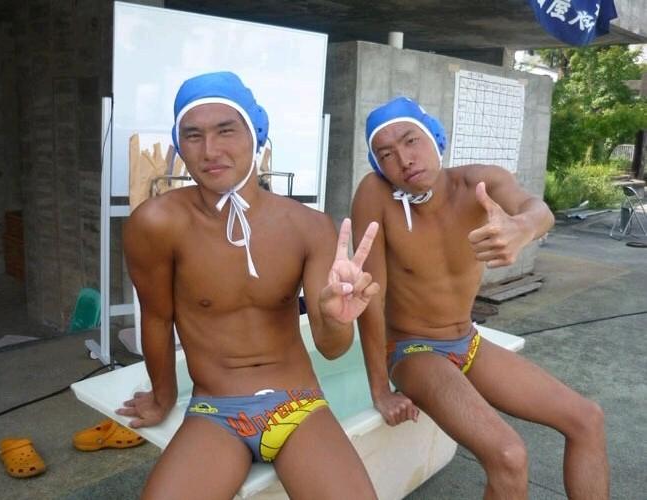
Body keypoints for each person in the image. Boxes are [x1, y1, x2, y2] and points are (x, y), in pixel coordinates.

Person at [117, 72, 379, 499]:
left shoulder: (309, 226)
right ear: (179, 144)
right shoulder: (156, 223)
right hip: (214, 409)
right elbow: (157, 317)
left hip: (298, 403)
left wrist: (336, 319)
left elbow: (332, 348)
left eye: (226, 130)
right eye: (193, 135)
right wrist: (163, 397)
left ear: (255, 134)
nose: (210, 150)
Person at [351, 96, 608, 500]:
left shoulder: (479, 185)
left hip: (467, 341)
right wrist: (380, 389)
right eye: (386, 154)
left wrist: (524, 227)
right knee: (509, 454)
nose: (404, 159)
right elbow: (369, 295)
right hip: (413, 350)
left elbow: (536, 208)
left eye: (411, 140)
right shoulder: (375, 194)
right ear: (378, 164)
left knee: (587, 419)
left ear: (434, 137)